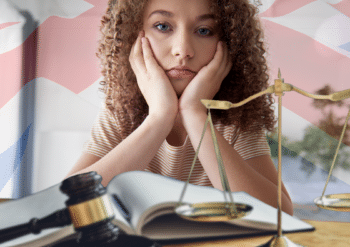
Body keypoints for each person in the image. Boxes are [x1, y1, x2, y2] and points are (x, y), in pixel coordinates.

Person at [66, 0, 293, 215]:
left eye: (204, 30)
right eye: (163, 26)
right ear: (132, 36)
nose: (183, 50)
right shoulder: (119, 112)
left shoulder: (236, 116)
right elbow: (65, 205)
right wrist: (160, 117)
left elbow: (280, 215)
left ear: (230, 44)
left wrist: (194, 114)